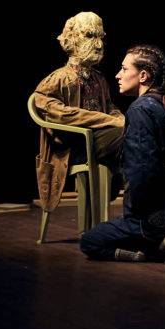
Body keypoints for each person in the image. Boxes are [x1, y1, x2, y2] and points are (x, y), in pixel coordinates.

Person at [80, 44, 165, 262]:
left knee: (89, 242)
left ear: (143, 75)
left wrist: (138, 216)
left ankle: (148, 250)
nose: (118, 75)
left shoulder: (140, 110)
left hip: (149, 219)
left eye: (124, 69)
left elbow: (142, 169)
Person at [33, 12, 125, 216]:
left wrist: (120, 118)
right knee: (130, 134)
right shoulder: (57, 79)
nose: (99, 45)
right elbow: (51, 110)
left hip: (99, 143)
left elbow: (110, 107)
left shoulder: (99, 79)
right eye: (90, 36)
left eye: (101, 37)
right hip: (72, 148)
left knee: (136, 132)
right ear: (72, 39)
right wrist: (107, 120)